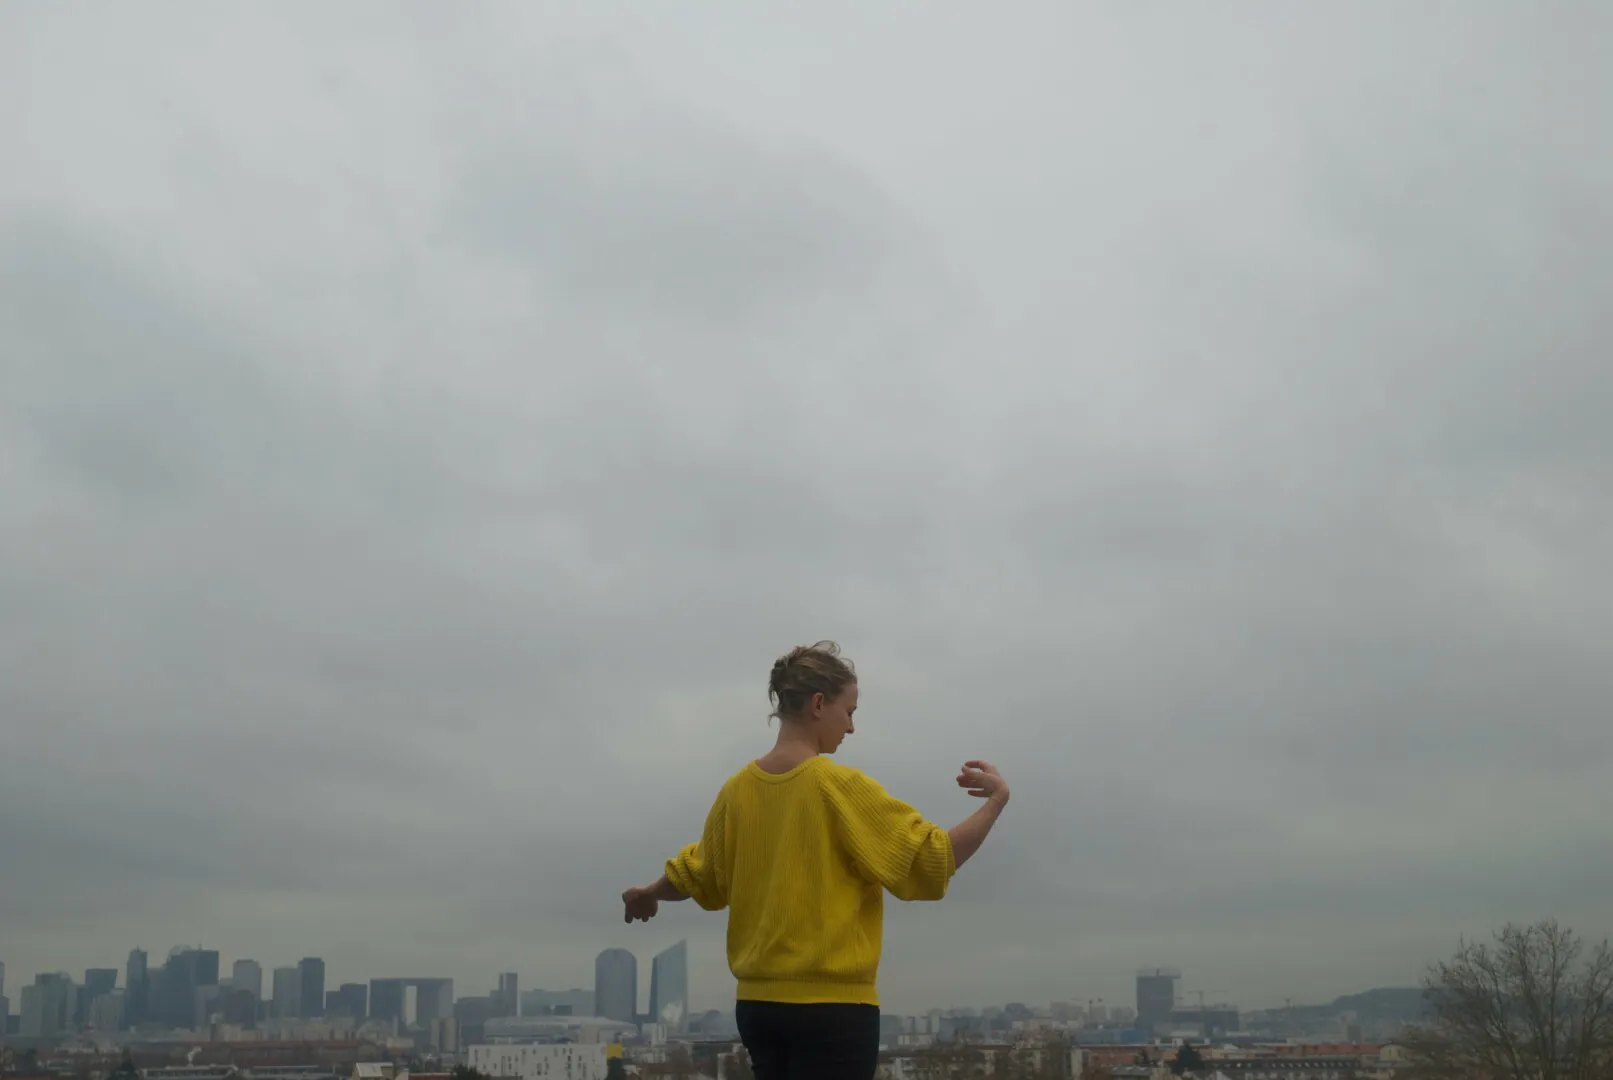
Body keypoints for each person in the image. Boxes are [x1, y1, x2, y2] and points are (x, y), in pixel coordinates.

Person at [620, 640, 1010, 1080]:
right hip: (833, 1011)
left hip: (758, 1010)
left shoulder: (737, 791)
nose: (852, 728)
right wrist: (996, 801)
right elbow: (931, 858)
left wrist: (649, 892)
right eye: (850, 712)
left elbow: (700, 872)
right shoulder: (837, 787)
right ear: (819, 704)